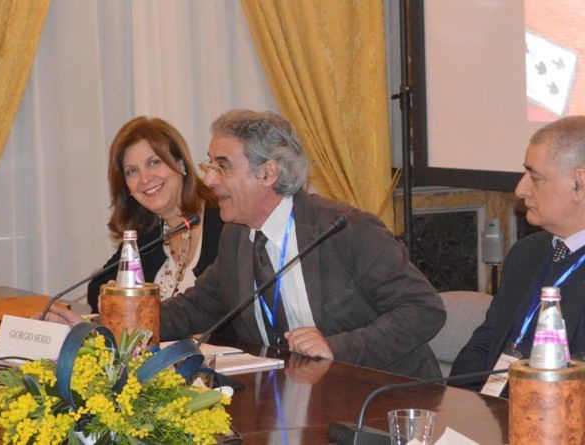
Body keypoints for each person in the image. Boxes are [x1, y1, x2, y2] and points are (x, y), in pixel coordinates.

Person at [54, 109, 445, 379]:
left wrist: (337, 347)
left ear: (268, 173)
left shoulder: (343, 229)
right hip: (292, 397)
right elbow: (192, 309)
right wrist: (99, 327)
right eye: (209, 165)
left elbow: (423, 310)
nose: (209, 180)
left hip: (382, 396)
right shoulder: (238, 237)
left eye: (222, 166)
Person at [451, 116, 585, 393]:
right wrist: (460, 401)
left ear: (579, 183)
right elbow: (486, 342)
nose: (520, 190)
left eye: (535, 178)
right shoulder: (527, 252)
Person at [86, 116, 224, 314]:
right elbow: (97, 288)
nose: (145, 179)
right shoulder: (147, 234)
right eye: (132, 171)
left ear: (181, 164)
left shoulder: (223, 222)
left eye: (154, 163)